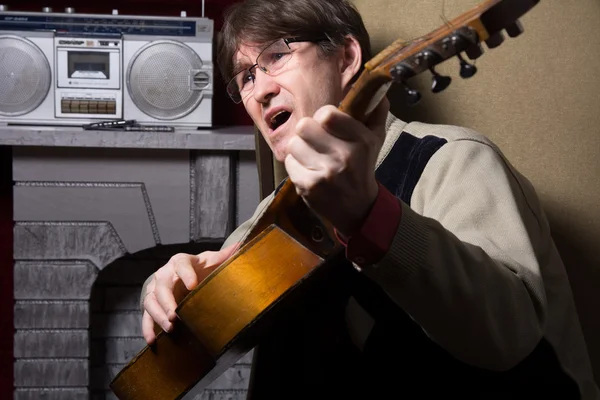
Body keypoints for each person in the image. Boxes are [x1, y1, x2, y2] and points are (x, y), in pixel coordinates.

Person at [139, 0, 599, 398]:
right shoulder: (277, 210)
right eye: (244, 78)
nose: (258, 90)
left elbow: (509, 336)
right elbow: (209, 282)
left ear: (346, 58)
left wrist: (369, 215)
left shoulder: (454, 161)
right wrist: (167, 285)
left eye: (277, 56)